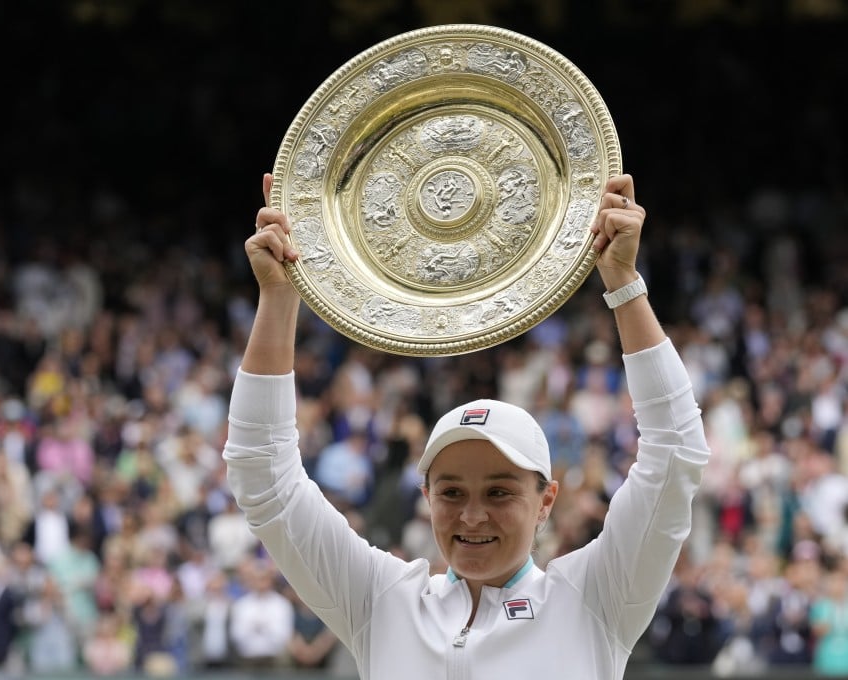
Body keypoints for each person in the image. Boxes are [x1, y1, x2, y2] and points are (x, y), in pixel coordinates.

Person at [223, 172, 711, 678]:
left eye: (499, 492)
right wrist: (278, 299)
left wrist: (623, 283)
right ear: (427, 496)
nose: (472, 516)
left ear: (546, 501)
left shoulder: (596, 596)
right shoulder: (380, 600)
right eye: (452, 492)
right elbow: (264, 475)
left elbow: (674, 453)